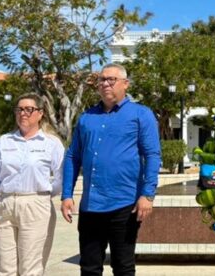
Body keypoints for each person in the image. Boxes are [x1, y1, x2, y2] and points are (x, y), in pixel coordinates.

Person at [62, 63, 161, 276]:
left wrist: (147, 194)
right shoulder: (87, 118)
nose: (105, 83)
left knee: (123, 267)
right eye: (102, 79)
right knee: (89, 268)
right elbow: (73, 156)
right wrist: (66, 195)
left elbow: (152, 155)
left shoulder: (140, 114)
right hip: (91, 207)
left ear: (125, 84)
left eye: (111, 79)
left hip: (124, 205)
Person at [0, 93, 65, 276]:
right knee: (4, 269)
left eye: (29, 109)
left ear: (40, 113)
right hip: (5, 205)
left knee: (30, 269)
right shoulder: (5, 141)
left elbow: (61, 177)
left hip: (35, 206)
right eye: (19, 109)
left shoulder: (51, 143)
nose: (24, 113)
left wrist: (43, 196)